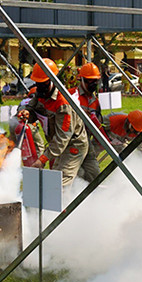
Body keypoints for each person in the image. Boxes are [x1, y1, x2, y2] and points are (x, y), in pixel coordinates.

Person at [25, 58, 89, 187]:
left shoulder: (63, 103)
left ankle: (66, 206)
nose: (40, 87)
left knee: (60, 184)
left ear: (53, 80)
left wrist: (42, 159)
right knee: (54, 178)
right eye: (38, 83)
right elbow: (31, 109)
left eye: (43, 83)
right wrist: (25, 113)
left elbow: (63, 137)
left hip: (73, 144)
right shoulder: (40, 94)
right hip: (58, 144)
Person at [71, 62, 105, 182]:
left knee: (95, 174)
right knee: (78, 174)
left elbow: (98, 123)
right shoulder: (71, 95)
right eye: (90, 81)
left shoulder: (95, 101)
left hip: (87, 142)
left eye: (95, 81)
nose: (94, 84)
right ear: (82, 80)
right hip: (71, 142)